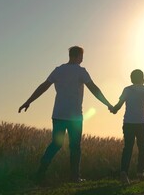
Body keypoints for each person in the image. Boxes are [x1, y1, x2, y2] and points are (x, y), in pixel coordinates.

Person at [18, 46, 113, 183]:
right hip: (75, 117)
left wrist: (28, 101)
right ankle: (74, 177)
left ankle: (40, 173)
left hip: (58, 114)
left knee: (55, 145)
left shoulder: (58, 70)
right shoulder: (81, 71)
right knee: (75, 147)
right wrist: (108, 104)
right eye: (82, 56)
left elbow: (43, 86)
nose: (82, 59)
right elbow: (94, 88)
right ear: (79, 56)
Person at [110, 69, 144, 184]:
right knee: (142, 147)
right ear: (142, 78)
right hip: (141, 123)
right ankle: (140, 172)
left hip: (128, 123)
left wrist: (113, 109)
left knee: (127, 148)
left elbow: (119, 105)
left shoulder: (127, 90)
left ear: (131, 79)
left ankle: (124, 172)